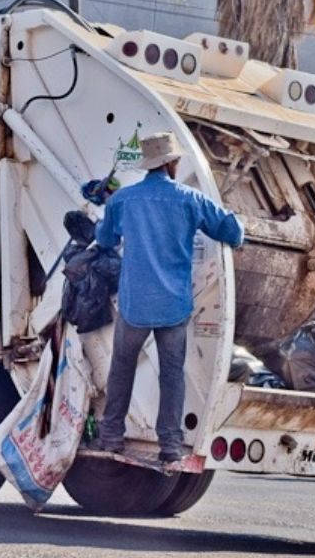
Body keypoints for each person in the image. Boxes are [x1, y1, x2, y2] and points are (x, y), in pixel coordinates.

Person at [93, 132, 244, 470]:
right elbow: (232, 233)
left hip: (134, 304)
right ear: (172, 163)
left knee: (122, 369)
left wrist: (107, 208)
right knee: (171, 375)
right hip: (173, 305)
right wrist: (238, 220)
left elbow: (103, 240)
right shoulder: (190, 199)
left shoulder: (124, 200)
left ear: (150, 164)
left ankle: (112, 436)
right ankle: (170, 446)